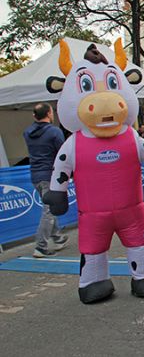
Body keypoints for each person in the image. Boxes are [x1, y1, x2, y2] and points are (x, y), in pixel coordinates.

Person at [23, 103, 68, 258]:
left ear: (34, 116)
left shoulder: (27, 132)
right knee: (48, 210)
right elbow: (62, 154)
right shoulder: (54, 132)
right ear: (49, 113)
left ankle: (58, 237)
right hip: (50, 175)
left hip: (35, 175)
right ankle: (40, 246)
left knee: (49, 207)